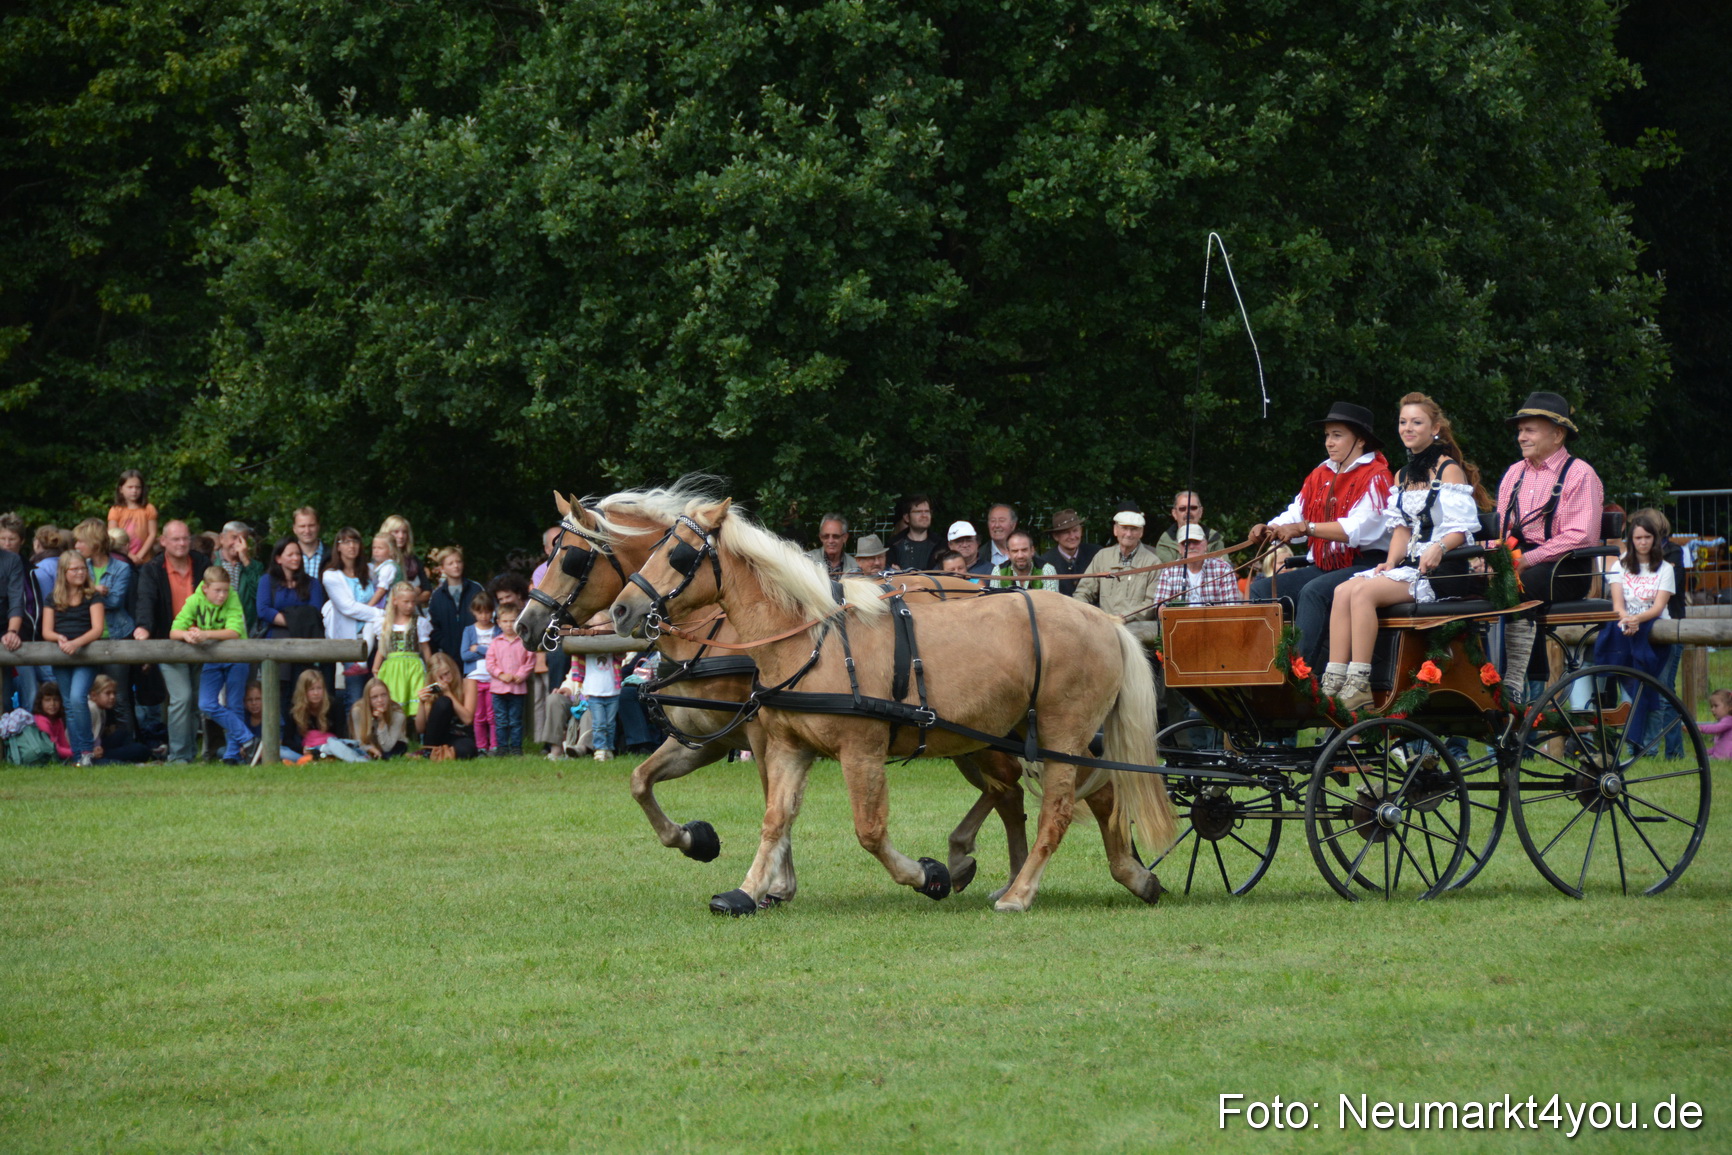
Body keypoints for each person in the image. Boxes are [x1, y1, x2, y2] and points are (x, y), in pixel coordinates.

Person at [1321, 394, 1489, 709]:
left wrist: (1439, 547)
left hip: (1443, 569)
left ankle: (1360, 683)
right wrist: (1389, 562)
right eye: (1403, 422)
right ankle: (1335, 677)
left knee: (1363, 593)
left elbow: (1462, 527)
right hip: (1411, 566)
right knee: (1343, 591)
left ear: (1434, 428)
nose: (1407, 428)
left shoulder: (1448, 470)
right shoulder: (1402, 475)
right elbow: (1402, 529)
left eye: (1416, 422)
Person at [1247, 401, 1395, 671]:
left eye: (1337, 435)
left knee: (1313, 591)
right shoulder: (1320, 474)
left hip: (1366, 565)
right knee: (1260, 589)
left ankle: (1300, 674)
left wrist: (1306, 528)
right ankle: (1263, 666)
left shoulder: (1377, 476)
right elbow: (1296, 512)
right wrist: (1270, 528)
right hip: (1326, 566)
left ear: (1361, 440)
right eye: (1327, 435)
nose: (1329, 442)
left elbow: (1358, 529)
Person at [1493, 391, 1605, 705]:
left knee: (1516, 586)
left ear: (1557, 434)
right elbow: (1499, 528)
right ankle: (1493, 678)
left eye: (1530, 430)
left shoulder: (1580, 473)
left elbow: (1581, 536)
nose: (1521, 437)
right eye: (1520, 430)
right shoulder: (1514, 473)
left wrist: (1529, 559)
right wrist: (1490, 556)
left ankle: (1515, 682)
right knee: (1472, 584)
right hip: (1519, 561)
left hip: (1567, 567)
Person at [1592, 508, 1676, 752]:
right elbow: (1618, 604)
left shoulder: (1665, 568)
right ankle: (1632, 747)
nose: (1643, 542)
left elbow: (1659, 606)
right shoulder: (1620, 565)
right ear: (1631, 539)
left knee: (1657, 692)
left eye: (1647, 537)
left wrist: (1637, 619)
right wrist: (1628, 619)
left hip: (1657, 633)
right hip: (1626, 631)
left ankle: (1650, 748)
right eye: (1638, 538)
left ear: (1655, 539)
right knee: (1631, 691)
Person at [132, 520, 210, 762]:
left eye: (185, 538)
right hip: (170, 641)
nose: (182, 543)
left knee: (196, 700)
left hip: (202, 640)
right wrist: (144, 627)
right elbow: (146, 599)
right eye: (176, 539)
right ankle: (177, 756)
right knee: (181, 697)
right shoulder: (152, 569)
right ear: (163, 541)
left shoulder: (203, 564)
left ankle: (189, 753)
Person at [169, 566, 253, 764]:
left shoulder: (232, 597)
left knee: (234, 704)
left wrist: (205, 634)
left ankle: (233, 754)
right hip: (212, 658)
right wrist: (186, 635)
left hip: (237, 656)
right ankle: (248, 738)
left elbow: (234, 632)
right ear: (205, 588)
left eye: (225, 590)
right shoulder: (194, 600)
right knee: (206, 704)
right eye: (217, 591)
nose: (222, 595)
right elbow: (174, 631)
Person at [40, 550, 106, 764]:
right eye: (74, 569)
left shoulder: (92, 596)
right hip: (62, 656)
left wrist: (76, 643)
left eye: (82, 568)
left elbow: (97, 629)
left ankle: (87, 751)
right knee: (68, 704)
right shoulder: (53, 598)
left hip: (85, 656)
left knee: (78, 698)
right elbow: (46, 631)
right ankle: (77, 756)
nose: (80, 572)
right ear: (64, 572)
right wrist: (59, 638)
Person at [320, 526, 385, 725]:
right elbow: (347, 607)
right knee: (355, 694)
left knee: (376, 693)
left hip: (376, 639)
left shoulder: (370, 571)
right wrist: (379, 614)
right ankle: (355, 737)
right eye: (346, 542)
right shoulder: (331, 575)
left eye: (355, 541)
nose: (352, 546)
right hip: (351, 640)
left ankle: (376, 736)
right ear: (338, 547)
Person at [1074, 510, 1162, 623]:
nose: (1128, 534)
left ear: (1141, 532)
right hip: (1104, 624)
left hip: (1136, 626)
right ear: (1115, 530)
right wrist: (1080, 612)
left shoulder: (1153, 563)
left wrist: (1125, 617)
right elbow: (1084, 591)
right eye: (1124, 528)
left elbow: (1152, 603)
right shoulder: (1103, 556)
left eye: (1134, 529)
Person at [370, 581, 433, 717]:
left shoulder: (419, 622)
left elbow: (425, 648)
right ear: (395, 601)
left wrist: (430, 669)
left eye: (413, 602)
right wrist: (375, 668)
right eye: (406, 602)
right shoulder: (385, 623)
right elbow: (382, 648)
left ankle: (416, 728)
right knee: (393, 698)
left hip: (413, 668)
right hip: (392, 668)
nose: (410, 605)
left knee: (416, 699)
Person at [284, 669, 366, 762]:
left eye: (319, 688)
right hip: (307, 750)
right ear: (303, 691)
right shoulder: (294, 709)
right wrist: (302, 749)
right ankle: (310, 759)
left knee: (336, 744)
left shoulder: (334, 705)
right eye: (311, 689)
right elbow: (287, 740)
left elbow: (341, 735)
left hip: (331, 747)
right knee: (282, 752)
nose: (316, 693)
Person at [486, 604, 536, 756]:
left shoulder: (524, 642)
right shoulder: (495, 642)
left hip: (517, 688)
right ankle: (502, 747)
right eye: (505, 621)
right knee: (500, 720)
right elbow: (490, 663)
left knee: (516, 720)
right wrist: (501, 674)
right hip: (498, 689)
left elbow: (530, 661)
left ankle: (516, 747)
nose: (509, 625)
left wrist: (521, 675)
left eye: (512, 621)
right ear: (499, 623)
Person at [1152, 524, 1240, 607]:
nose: (1191, 547)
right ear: (1179, 549)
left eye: (1196, 542)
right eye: (1185, 543)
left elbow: (1231, 608)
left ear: (1205, 545)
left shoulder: (1224, 569)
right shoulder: (1168, 571)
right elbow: (1159, 607)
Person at [415, 652, 478, 759]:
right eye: (440, 677)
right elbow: (420, 729)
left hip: (460, 735)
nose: (445, 679)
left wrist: (448, 693)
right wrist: (421, 703)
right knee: (444, 702)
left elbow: (467, 719)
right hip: (436, 737)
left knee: (467, 750)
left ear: (452, 668)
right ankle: (430, 750)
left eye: (447, 673)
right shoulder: (431, 689)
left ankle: (441, 754)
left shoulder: (468, 683)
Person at [427, 545, 483, 663]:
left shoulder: (476, 589)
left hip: (475, 652)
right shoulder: (437, 596)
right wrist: (445, 643)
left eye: (458, 562)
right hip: (449, 655)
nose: (456, 566)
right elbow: (433, 626)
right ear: (442, 568)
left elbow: (487, 615)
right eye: (450, 563)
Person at [461, 591, 498, 755]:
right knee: (478, 715)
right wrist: (488, 652)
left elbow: (499, 653)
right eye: (480, 612)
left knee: (492, 715)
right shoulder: (469, 630)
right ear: (473, 612)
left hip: (493, 678)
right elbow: (464, 655)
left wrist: (478, 649)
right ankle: (481, 746)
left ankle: (494, 745)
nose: (484, 616)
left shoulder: (497, 630)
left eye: (487, 612)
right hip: (474, 678)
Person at [86, 674, 152, 763]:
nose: (112, 697)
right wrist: (93, 751)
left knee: (122, 733)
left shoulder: (101, 708)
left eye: (114, 693)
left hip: (98, 747)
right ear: (94, 695)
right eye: (108, 693)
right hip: (91, 752)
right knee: (140, 750)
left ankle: (130, 755)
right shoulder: (91, 709)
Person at [0, 513, 28, 712]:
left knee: (5, 698)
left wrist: (12, 632)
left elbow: (16, 599)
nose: (6, 543)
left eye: (11, 538)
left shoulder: (11, 560)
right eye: (3, 538)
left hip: (3, 629)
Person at [217, 521, 265, 634]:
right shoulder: (209, 562)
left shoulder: (255, 566)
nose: (238, 544)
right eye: (234, 538)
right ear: (222, 539)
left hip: (246, 627)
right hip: (216, 626)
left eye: (243, 539)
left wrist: (245, 561)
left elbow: (259, 595)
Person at [1152, 491, 1225, 563]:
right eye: (1182, 508)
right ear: (1174, 513)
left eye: (1193, 508)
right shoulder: (1165, 542)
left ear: (1201, 512)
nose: (1188, 512)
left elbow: (1225, 566)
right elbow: (1166, 569)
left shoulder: (1214, 538)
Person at [578, 648, 625, 762]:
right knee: (599, 723)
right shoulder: (586, 648)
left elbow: (621, 655)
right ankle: (599, 748)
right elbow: (577, 655)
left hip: (613, 691)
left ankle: (608, 749)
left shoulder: (612, 647)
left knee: (610, 724)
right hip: (594, 692)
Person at [1039, 509, 1099, 596]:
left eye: (1075, 530)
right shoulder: (1045, 562)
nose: (1072, 536)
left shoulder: (1096, 553)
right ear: (1056, 536)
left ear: (1081, 531)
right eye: (1066, 532)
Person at [107, 469, 159, 565]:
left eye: (137, 487)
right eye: (130, 487)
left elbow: (152, 534)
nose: (134, 491)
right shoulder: (115, 510)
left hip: (145, 560)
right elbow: (113, 536)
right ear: (121, 489)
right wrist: (129, 556)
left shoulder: (148, 508)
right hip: (122, 560)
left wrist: (139, 556)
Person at [351, 677, 409, 760]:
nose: (380, 700)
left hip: (392, 744)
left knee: (388, 755)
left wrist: (382, 722)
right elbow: (358, 741)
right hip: (369, 743)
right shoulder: (358, 711)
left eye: (384, 695)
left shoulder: (398, 714)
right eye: (374, 697)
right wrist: (370, 748)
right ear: (368, 699)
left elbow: (387, 747)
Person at [379, 514, 430, 595]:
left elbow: (427, 590)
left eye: (404, 532)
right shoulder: (379, 559)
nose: (401, 536)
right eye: (396, 532)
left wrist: (410, 599)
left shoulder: (413, 559)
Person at [887, 495, 938, 572]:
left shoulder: (940, 545)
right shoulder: (893, 545)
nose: (924, 515)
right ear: (907, 517)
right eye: (918, 512)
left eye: (927, 511)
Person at [992, 530, 1059, 589]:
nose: (1020, 556)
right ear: (1008, 553)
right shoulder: (998, 571)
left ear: (1032, 550)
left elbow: (1051, 599)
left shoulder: (1047, 570)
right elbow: (994, 599)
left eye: (1024, 550)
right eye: (1015, 551)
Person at [32, 682, 72, 761]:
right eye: (47, 700)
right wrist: (77, 753)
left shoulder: (58, 720)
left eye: (56, 700)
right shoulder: (41, 721)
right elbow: (54, 749)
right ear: (40, 702)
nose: (52, 704)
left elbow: (63, 744)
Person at [367, 533, 401, 607]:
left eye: (380, 548)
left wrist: (368, 607)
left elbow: (381, 590)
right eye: (374, 548)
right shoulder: (374, 566)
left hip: (390, 605)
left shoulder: (389, 567)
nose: (376, 551)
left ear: (391, 551)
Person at [291, 506, 326, 577]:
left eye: (311, 526)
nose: (307, 531)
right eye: (302, 526)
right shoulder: (286, 558)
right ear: (294, 529)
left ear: (318, 526)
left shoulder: (333, 556)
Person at [1698, 689, 1732, 761]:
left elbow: (1716, 728)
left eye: (1716, 706)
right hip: (1718, 757)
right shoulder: (1725, 721)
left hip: (1723, 758)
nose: (1712, 709)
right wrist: (1704, 752)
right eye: (1711, 706)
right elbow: (1719, 746)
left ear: (1730, 707)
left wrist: (1701, 728)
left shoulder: (1729, 720)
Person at [985, 504, 1018, 569]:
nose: (997, 525)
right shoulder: (979, 556)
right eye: (993, 521)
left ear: (1013, 525)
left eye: (1001, 520)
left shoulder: (1027, 554)